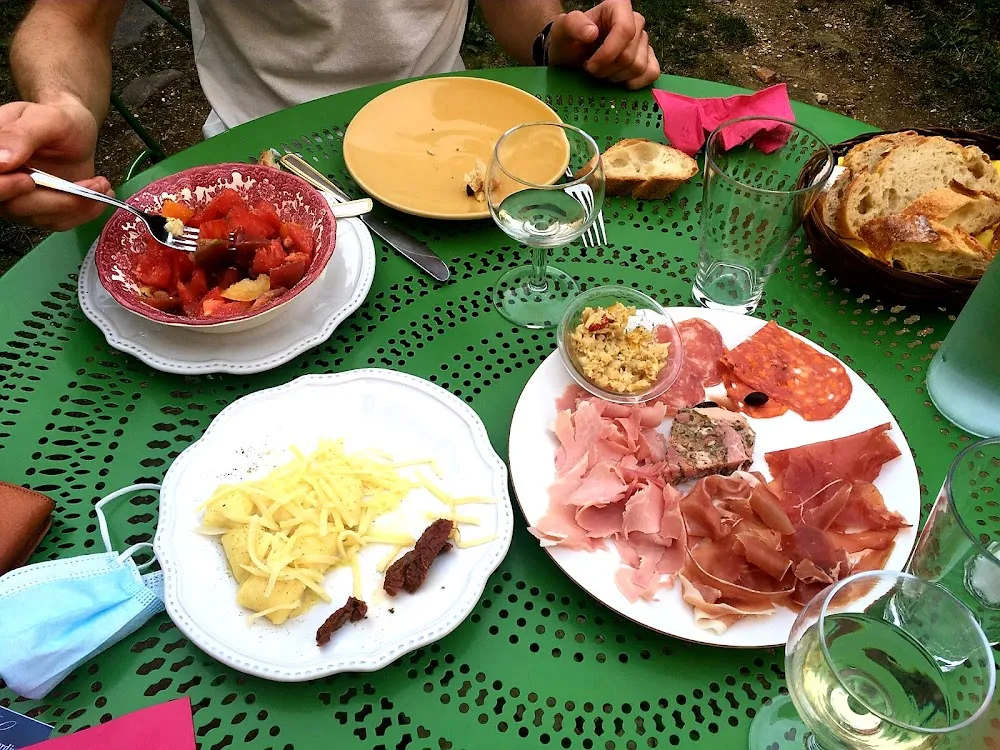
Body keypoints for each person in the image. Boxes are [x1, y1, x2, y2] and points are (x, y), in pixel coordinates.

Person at [0, 0, 660, 232]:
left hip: (461, 158)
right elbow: (67, 20)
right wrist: (64, 103)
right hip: (264, 165)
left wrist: (552, 40)